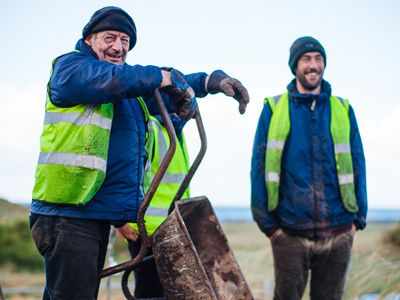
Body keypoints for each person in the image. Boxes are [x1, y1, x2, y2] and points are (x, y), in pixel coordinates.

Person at [29, 6, 249, 300]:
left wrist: (207, 82)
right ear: (89, 39)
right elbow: (124, 79)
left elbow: (158, 88)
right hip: (65, 213)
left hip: (92, 215)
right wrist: (165, 77)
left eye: (125, 41)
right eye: (110, 38)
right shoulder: (71, 69)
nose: (118, 47)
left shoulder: (124, 87)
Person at [251, 36, 367, 300]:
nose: (313, 65)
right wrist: (269, 226)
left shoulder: (343, 109)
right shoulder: (274, 109)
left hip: (339, 231)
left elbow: (358, 163)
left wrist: (357, 219)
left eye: (318, 59)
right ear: (295, 66)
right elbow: (258, 167)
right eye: (306, 59)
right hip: (289, 233)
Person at [124, 113, 190, 298]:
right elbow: (129, 173)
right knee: (149, 293)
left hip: (172, 231)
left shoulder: (175, 131)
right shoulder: (150, 125)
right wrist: (120, 221)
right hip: (146, 233)